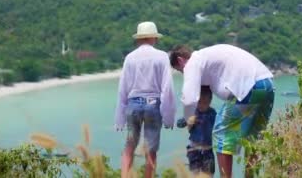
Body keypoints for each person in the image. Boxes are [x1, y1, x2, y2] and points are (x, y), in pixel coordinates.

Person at [169, 44, 275, 178]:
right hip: (267, 84)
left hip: (249, 87)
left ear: (180, 60)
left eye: (180, 71)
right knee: (253, 138)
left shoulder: (193, 62)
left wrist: (188, 118)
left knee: (221, 132)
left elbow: (189, 99)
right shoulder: (206, 56)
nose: (184, 73)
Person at [115, 21, 176, 178]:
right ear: (154, 38)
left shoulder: (130, 58)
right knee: (151, 149)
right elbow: (167, 89)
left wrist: (119, 119)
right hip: (153, 104)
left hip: (133, 103)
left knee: (129, 146)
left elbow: (123, 88)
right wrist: (169, 118)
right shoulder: (162, 56)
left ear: (139, 39)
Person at [177, 85, 216, 176]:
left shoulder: (212, 113)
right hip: (194, 150)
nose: (201, 105)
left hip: (208, 150)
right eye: (199, 102)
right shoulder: (192, 112)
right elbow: (179, 124)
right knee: (195, 174)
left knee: (209, 174)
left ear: (210, 101)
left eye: (205, 102)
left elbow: (220, 125)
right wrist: (187, 121)